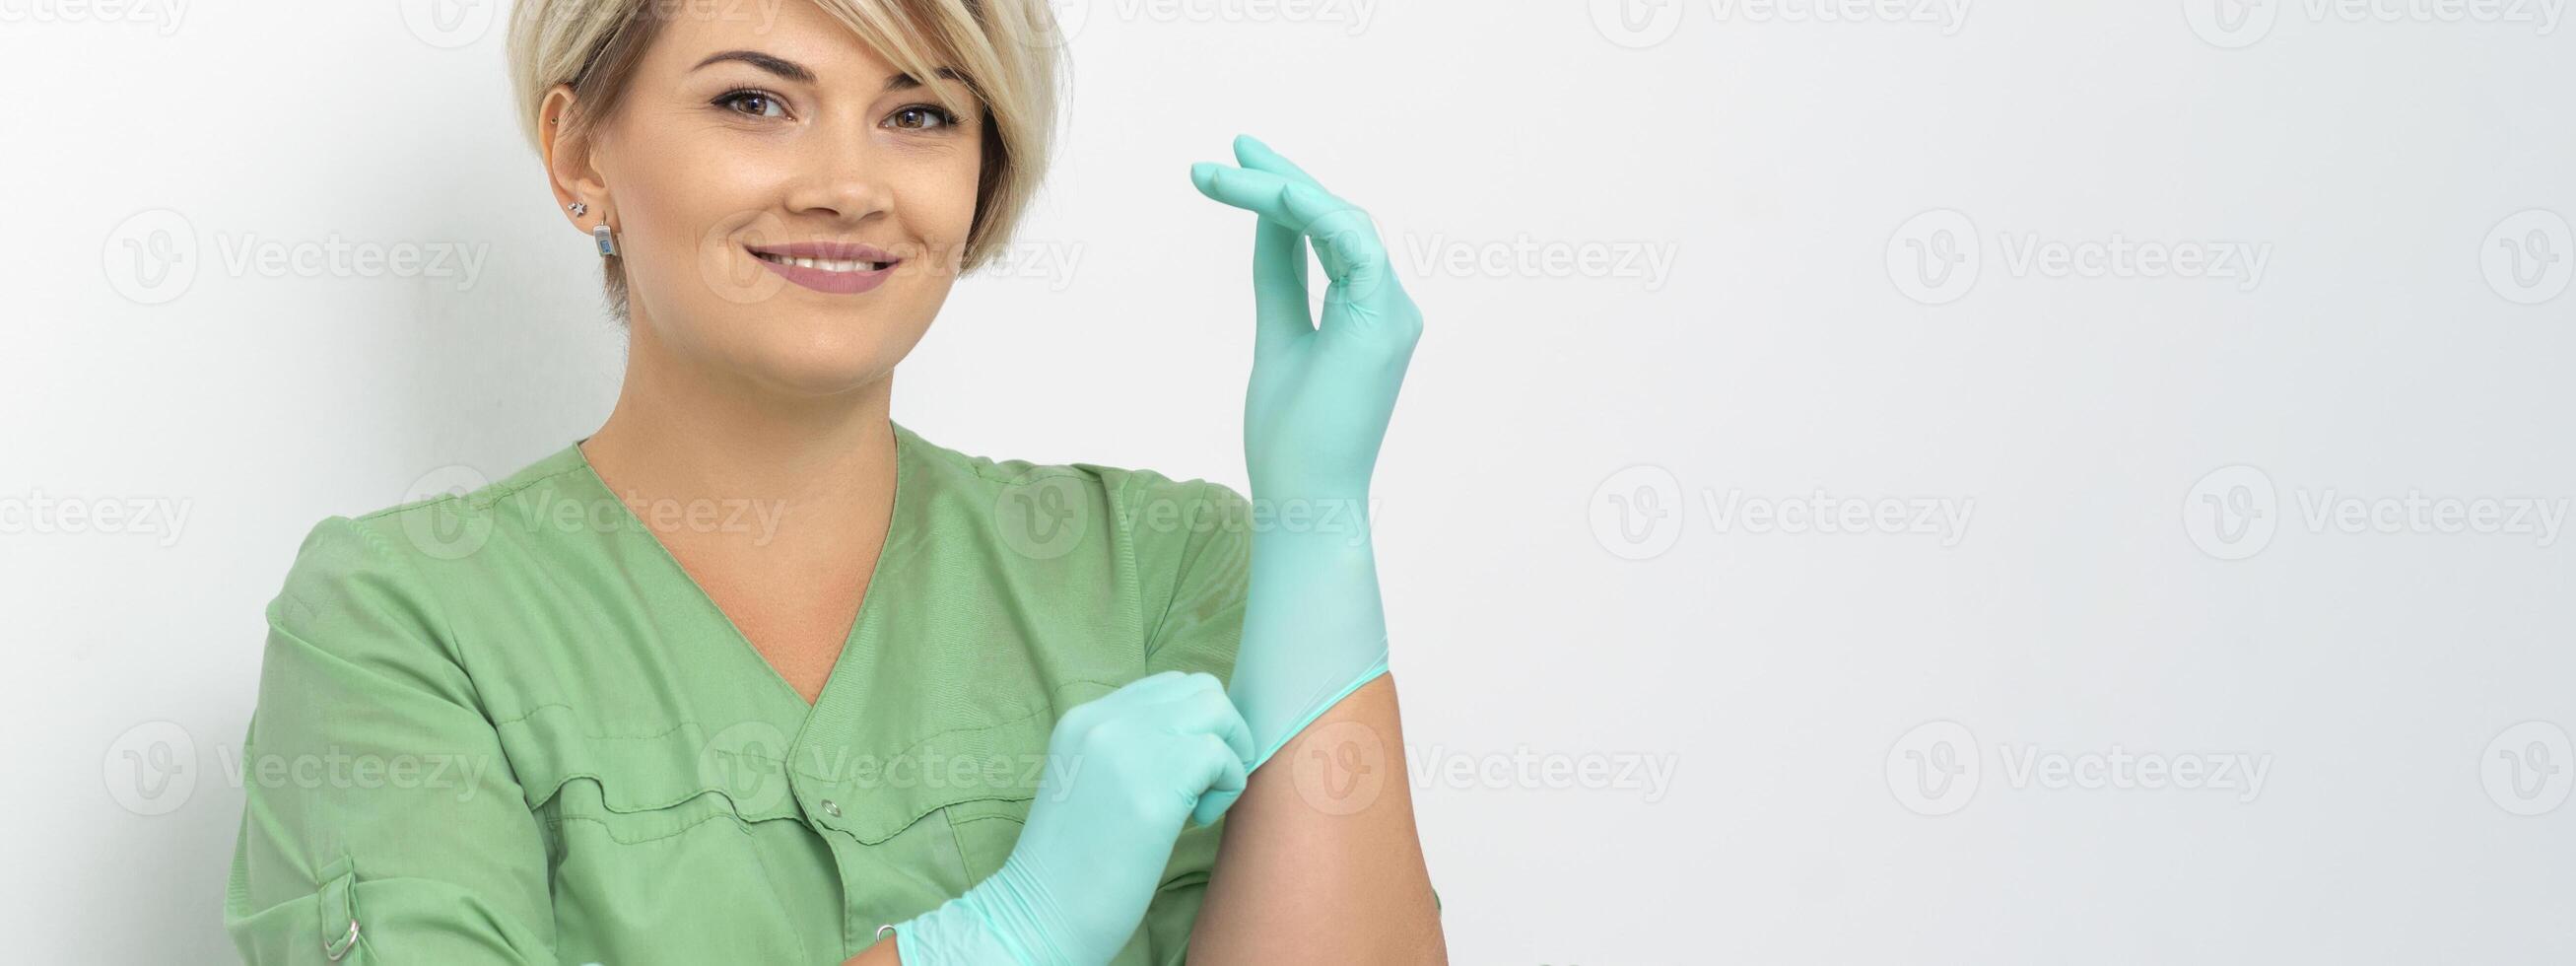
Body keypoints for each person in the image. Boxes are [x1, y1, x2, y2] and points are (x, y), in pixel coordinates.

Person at [221, 0, 1444, 962]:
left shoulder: (1162, 569)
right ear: (578, 149)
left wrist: (1316, 521)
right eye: (756, 101)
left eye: (919, 114)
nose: (850, 186)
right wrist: (991, 940)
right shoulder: (400, 623)